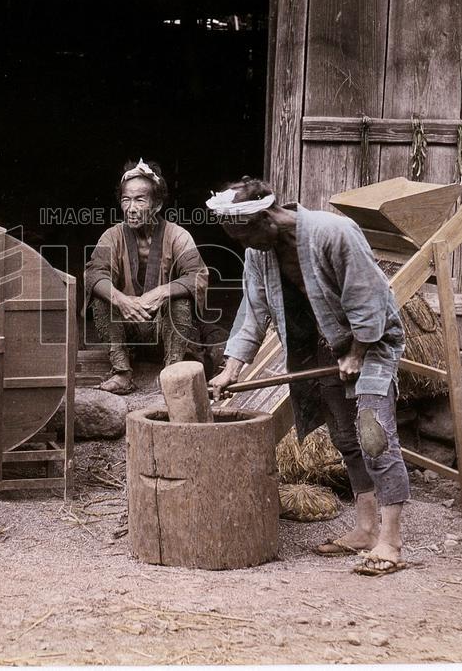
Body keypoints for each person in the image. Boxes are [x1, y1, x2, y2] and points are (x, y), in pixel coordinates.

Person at [207, 177, 408, 576]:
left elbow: (368, 298)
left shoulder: (334, 233)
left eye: (246, 235)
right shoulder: (259, 250)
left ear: (266, 217)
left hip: (372, 342)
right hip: (325, 344)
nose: (245, 245)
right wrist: (231, 368)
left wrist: (357, 352)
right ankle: (366, 529)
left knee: (374, 435)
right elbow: (253, 309)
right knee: (346, 438)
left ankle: (391, 542)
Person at [84, 159, 208, 394]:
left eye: (139, 200)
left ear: (157, 204)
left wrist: (162, 292)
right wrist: (121, 300)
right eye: (125, 199)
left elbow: (197, 276)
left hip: (163, 332)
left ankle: (171, 373)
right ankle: (122, 372)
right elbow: (93, 273)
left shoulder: (178, 235)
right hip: (128, 332)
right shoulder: (112, 236)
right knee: (102, 298)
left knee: (179, 300)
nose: (131, 208)